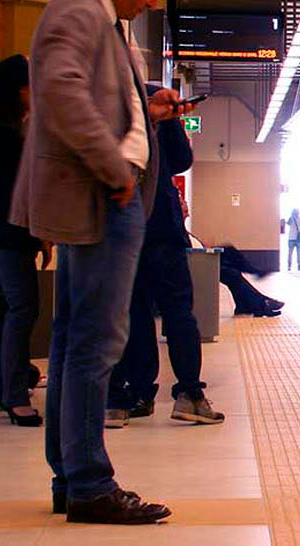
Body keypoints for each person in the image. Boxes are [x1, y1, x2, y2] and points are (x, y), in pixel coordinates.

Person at [10, 0, 190, 525]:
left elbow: (90, 92)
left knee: (74, 339)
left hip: (104, 198)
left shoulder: (100, 21)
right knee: (95, 342)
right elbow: (59, 90)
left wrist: (148, 105)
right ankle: (88, 482)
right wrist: (115, 167)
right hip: (102, 199)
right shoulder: (77, 12)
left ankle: (71, 473)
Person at [105, 83, 225, 429]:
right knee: (176, 312)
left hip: (126, 229)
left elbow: (180, 161)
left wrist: (169, 121)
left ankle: (129, 396)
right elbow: (181, 161)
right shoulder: (139, 119)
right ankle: (188, 393)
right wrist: (167, 121)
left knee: (131, 312)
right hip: (158, 228)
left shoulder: (118, 117)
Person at [0, 55, 44, 426]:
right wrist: (40, 233)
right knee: (23, 308)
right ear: (19, 90)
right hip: (8, 232)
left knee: (3, 309)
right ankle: (15, 396)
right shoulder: (4, 131)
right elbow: (18, 189)